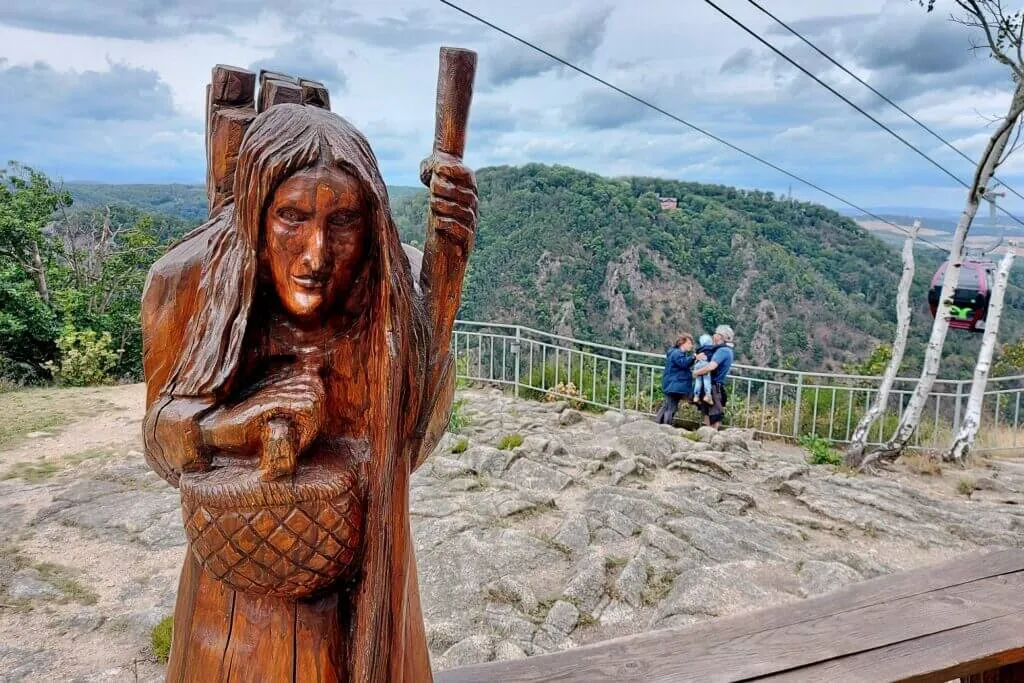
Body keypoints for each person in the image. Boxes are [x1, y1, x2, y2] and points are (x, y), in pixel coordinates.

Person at [141, 102, 476, 681]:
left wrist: (439, 302)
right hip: (236, 597)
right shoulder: (188, 282)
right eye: (292, 216)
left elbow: (412, 443)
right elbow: (160, 440)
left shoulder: (392, 295)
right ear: (255, 212)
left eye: (343, 222)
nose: (316, 254)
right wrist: (228, 426)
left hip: (368, 582)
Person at [693, 324, 735, 429]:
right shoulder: (726, 350)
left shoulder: (722, 351)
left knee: (715, 413)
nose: (713, 335)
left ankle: (712, 435)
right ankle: (708, 435)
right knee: (707, 410)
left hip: (714, 386)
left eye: (716, 333)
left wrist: (697, 372)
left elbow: (711, 366)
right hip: (715, 385)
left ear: (720, 336)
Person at [656, 334, 695, 424]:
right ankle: (666, 426)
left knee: (667, 406)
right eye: (689, 343)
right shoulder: (677, 353)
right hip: (674, 384)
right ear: (682, 343)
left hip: (673, 384)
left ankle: (658, 424)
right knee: (670, 407)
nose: (691, 345)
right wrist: (693, 357)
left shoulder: (675, 353)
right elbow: (683, 363)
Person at [691, 333, 716, 405]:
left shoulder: (699, 349)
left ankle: (696, 396)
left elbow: (695, 356)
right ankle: (708, 395)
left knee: (698, 381)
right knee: (706, 380)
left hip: (698, 364)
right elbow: (712, 359)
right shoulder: (711, 349)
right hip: (705, 364)